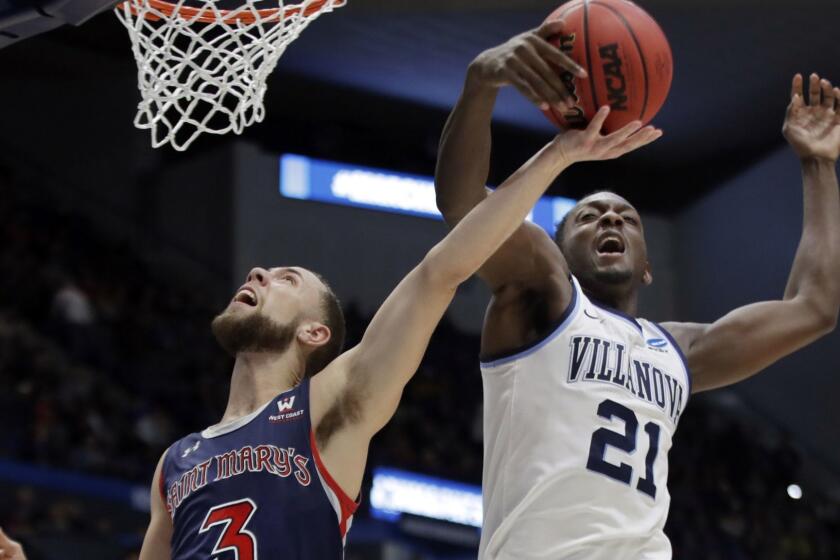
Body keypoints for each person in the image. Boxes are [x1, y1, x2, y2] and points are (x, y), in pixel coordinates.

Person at [138, 104, 660, 558]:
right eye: (266, 274)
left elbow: (441, 271)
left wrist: (557, 156)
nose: (257, 274)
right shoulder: (176, 461)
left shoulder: (329, 404)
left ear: (315, 333)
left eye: (285, 278)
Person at [435, 21, 840, 560]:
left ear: (647, 266)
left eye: (627, 218)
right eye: (588, 216)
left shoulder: (679, 350)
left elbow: (813, 308)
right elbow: (462, 206)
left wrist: (817, 164)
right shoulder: (541, 295)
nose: (610, 220)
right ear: (557, 250)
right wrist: (481, 83)